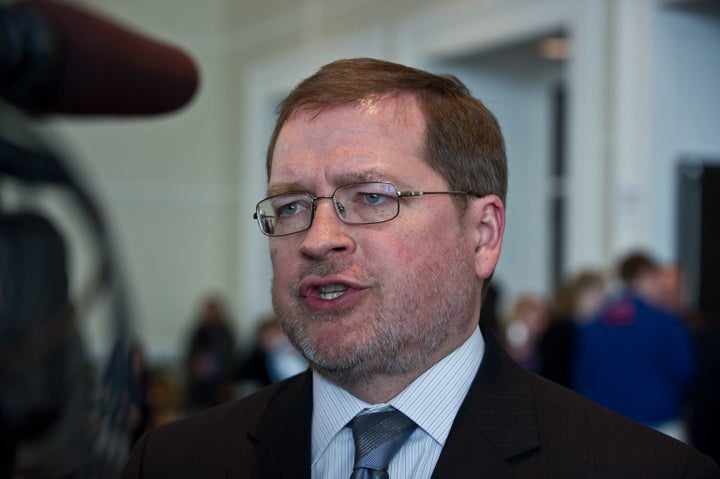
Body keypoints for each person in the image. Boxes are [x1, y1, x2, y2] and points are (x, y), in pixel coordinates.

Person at [122, 58, 719, 478]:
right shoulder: (174, 461)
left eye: (373, 198)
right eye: (292, 206)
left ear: (482, 235)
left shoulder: (639, 469)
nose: (319, 238)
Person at [572, 252, 696, 442]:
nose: (660, 286)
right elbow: (686, 371)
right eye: (655, 279)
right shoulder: (665, 322)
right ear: (643, 276)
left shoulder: (594, 325)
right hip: (661, 429)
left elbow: (581, 377)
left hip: (607, 431)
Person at [537, 270, 608, 388]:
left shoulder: (598, 332)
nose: (600, 300)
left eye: (601, 294)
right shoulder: (560, 331)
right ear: (577, 296)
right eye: (593, 293)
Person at [183, 295, 236, 413]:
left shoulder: (225, 332)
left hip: (220, 380)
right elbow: (191, 355)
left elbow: (230, 357)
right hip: (200, 382)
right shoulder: (198, 332)